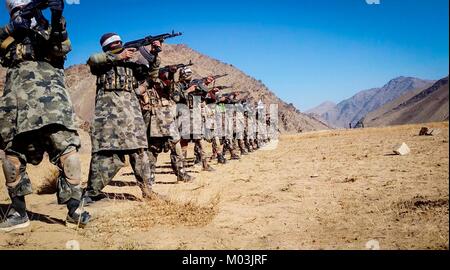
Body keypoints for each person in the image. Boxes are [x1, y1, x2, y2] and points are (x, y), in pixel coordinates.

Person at [0, 0, 90, 231]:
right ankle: (19, 212)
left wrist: (57, 15)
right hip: (16, 102)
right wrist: (12, 29)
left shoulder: (48, 32)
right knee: (11, 157)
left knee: (67, 152)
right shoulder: (7, 36)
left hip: (53, 102)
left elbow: (62, 48)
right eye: (20, 11)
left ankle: (75, 211)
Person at [83, 33, 155, 204]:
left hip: (132, 115)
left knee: (140, 152)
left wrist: (155, 55)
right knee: (106, 154)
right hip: (109, 116)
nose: (119, 45)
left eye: (120, 43)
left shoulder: (132, 64)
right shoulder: (101, 63)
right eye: (115, 43)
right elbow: (92, 60)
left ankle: (148, 192)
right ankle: (92, 193)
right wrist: (119, 56)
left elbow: (150, 77)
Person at [141, 64, 194, 183]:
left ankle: (181, 173)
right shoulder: (147, 83)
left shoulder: (166, 83)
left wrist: (170, 74)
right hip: (154, 118)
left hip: (167, 118)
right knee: (153, 149)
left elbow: (173, 94)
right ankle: (150, 176)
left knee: (176, 144)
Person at [174, 69, 215, 172]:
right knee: (184, 141)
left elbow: (205, 93)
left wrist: (205, 84)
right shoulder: (178, 85)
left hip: (196, 117)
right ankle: (181, 167)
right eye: (187, 74)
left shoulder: (195, 84)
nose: (189, 76)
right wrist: (188, 91)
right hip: (185, 116)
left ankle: (205, 164)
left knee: (200, 141)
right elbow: (176, 97)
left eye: (190, 74)